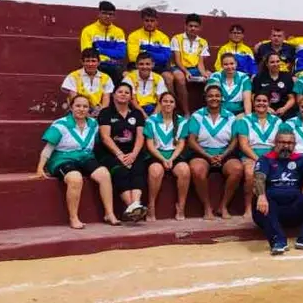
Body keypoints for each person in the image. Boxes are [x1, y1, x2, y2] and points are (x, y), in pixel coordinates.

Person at [36, 95, 118, 229]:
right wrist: (40, 168)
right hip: (62, 158)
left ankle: (109, 213)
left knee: (104, 174)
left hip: (85, 157)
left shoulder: (93, 124)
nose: (81, 109)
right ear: (71, 107)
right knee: (75, 178)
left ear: (89, 109)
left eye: (85, 106)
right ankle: (73, 218)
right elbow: (48, 148)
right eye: (78, 106)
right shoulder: (60, 124)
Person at [252, 129, 303, 255]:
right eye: (282, 142)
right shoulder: (265, 159)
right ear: (275, 143)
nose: (286, 146)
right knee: (259, 198)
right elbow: (259, 178)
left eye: (290, 143)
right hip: (270, 210)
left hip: (294, 208)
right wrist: (262, 196)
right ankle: (277, 240)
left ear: (295, 145)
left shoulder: (301, 159)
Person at [186, 84, 244, 220]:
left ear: (222, 98)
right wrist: (208, 156)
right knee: (197, 170)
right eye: (211, 95)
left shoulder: (230, 117)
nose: (214, 98)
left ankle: (223, 206)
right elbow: (192, 141)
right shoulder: (197, 116)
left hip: (225, 153)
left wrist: (223, 156)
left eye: (217, 96)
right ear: (205, 98)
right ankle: (207, 207)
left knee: (237, 169)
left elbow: (234, 140)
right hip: (202, 153)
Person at [97, 82, 148, 223]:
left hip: (133, 152)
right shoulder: (106, 112)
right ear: (113, 95)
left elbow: (140, 136)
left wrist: (134, 154)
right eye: (120, 92)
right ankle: (132, 207)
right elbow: (105, 137)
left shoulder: (137, 114)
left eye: (127, 92)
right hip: (111, 153)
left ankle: (135, 204)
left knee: (138, 168)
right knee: (121, 171)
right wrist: (119, 154)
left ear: (131, 97)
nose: (123, 94)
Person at [143, 92, 191, 222]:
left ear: (175, 105)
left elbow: (181, 144)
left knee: (184, 170)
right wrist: (163, 159)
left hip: (174, 155)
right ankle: (151, 205)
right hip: (156, 155)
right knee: (155, 171)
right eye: (165, 101)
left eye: (171, 102)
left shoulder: (182, 121)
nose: (168, 104)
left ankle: (181, 207)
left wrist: (171, 159)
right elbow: (150, 145)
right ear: (160, 103)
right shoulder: (151, 121)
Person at [236, 94, 284, 214]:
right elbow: (243, 145)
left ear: (269, 103)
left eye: (264, 101)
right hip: (251, 155)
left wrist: (271, 158)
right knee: (249, 173)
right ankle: (248, 207)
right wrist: (259, 159)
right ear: (253, 102)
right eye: (258, 101)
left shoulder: (277, 121)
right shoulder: (244, 121)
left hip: (272, 155)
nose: (261, 103)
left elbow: (280, 142)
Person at [169, 13, 211, 115]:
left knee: (211, 77)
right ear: (185, 26)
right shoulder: (177, 38)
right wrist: (186, 72)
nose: (193, 28)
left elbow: (200, 63)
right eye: (190, 26)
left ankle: (208, 112)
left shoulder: (203, 42)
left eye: (196, 26)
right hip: (178, 68)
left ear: (199, 28)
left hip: (195, 69)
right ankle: (186, 112)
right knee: (180, 78)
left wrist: (204, 73)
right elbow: (177, 60)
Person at [80, 0, 127, 83]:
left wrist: (100, 50)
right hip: (96, 65)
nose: (107, 16)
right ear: (99, 14)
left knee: (123, 76)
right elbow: (88, 53)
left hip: (115, 66)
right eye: (104, 13)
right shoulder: (88, 31)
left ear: (114, 16)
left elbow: (121, 53)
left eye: (110, 14)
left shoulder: (119, 32)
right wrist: (107, 59)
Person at [61, 47, 114, 116]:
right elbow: (73, 99)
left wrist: (99, 115)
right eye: (87, 61)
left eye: (93, 61)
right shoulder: (73, 76)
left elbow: (105, 103)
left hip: (98, 113)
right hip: (78, 111)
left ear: (99, 62)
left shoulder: (106, 78)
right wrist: (86, 115)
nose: (90, 64)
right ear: (82, 62)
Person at [126, 7, 172, 80]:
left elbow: (165, 57)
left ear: (156, 22)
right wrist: (155, 56)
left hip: (158, 66)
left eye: (152, 21)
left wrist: (146, 52)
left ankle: (169, 92)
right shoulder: (133, 36)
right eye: (147, 20)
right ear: (142, 21)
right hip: (139, 66)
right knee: (128, 75)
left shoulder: (163, 37)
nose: (149, 23)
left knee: (169, 77)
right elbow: (133, 57)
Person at [252, 52, 297, 120]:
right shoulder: (259, 77)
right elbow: (253, 96)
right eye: (272, 62)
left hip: (284, 111)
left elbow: (292, 98)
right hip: (264, 110)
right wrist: (266, 108)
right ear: (267, 64)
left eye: (277, 61)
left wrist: (284, 109)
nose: (275, 64)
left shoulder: (287, 77)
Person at [122, 51, 168, 116]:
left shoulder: (158, 78)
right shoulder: (129, 78)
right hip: (134, 109)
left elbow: (161, 101)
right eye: (141, 64)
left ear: (153, 65)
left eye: (147, 64)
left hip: (154, 109)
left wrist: (153, 117)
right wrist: (144, 116)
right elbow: (133, 101)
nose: (144, 67)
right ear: (136, 65)